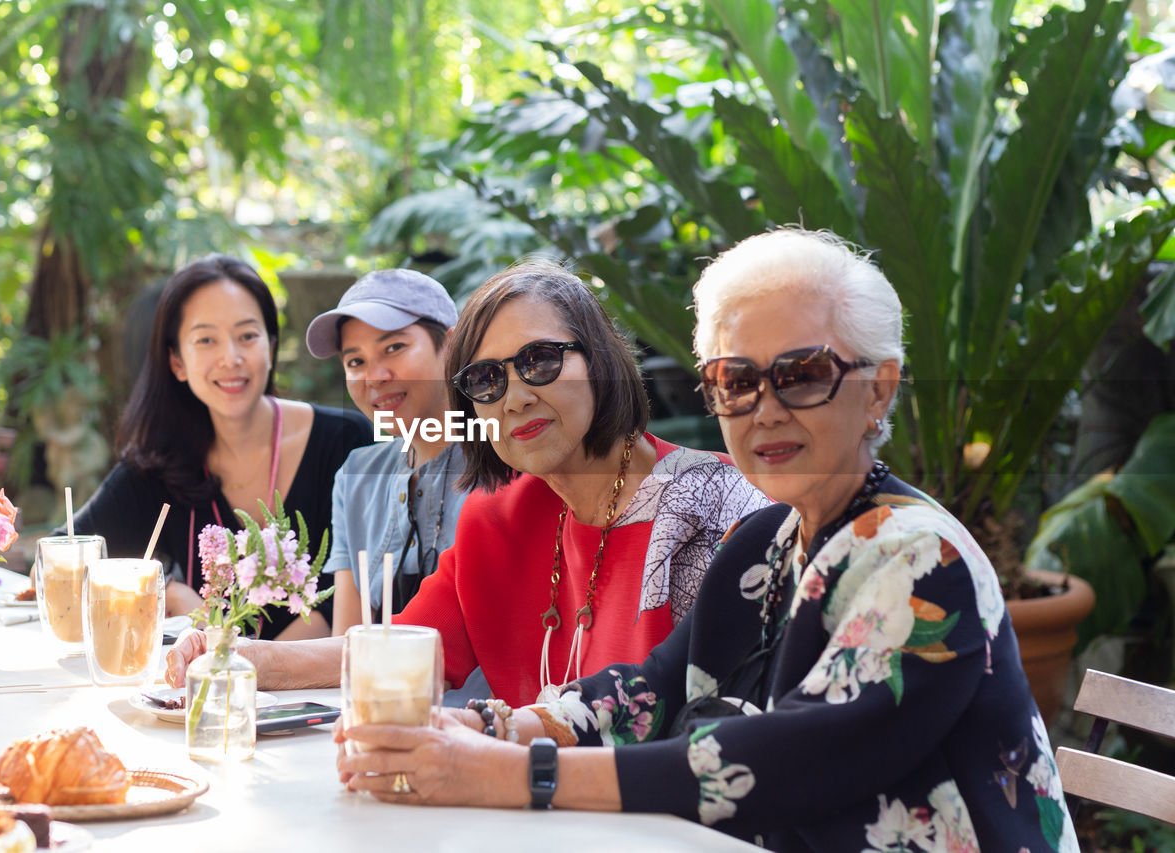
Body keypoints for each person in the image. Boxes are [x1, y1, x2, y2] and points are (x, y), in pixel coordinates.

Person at [334, 230, 1078, 852]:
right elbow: (652, 689)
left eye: (804, 373)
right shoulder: (767, 540)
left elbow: (782, 763)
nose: (766, 408)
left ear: (878, 389)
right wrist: (491, 723)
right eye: (736, 380)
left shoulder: (920, 557)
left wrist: (509, 771)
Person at [167, 260, 769, 704]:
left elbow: (724, 733)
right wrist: (237, 654)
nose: (515, 396)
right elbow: (392, 647)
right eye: (486, 380)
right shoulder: (495, 518)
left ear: (601, 359)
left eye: (540, 360)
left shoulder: (716, 509)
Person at [60, 255, 371, 640]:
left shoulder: (346, 441)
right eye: (206, 339)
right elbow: (63, 557)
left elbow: (356, 600)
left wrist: (249, 663)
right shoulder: (159, 463)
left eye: (247, 336)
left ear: (271, 347)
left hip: (321, 696)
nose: (231, 358)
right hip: (205, 696)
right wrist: (163, 588)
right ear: (177, 361)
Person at [304, 269, 470, 635]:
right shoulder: (355, 475)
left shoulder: (509, 462)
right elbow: (346, 643)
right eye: (355, 362)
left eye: (393, 348)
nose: (374, 376)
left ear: (452, 345)